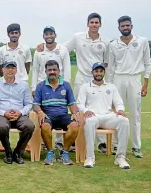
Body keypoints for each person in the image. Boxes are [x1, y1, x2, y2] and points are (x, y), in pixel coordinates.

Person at [36, 13, 111, 153]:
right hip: (82, 78)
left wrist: (100, 76)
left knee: (100, 108)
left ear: (100, 24)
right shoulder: (78, 37)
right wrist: (45, 46)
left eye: (96, 22)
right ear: (88, 24)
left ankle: (101, 143)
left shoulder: (105, 42)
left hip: (97, 77)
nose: (94, 25)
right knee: (75, 108)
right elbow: (62, 47)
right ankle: (64, 142)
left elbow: (106, 63)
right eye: (92, 22)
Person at [107, 15, 151, 158]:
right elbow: (111, 67)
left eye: (127, 25)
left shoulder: (142, 42)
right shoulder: (113, 44)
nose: (125, 28)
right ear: (119, 28)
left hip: (134, 79)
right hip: (118, 79)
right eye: (122, 26)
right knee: (116, 113)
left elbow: (147, 63)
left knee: (135, 114)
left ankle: (136, 147)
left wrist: (145, 83)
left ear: (131, 26)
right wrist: (109, 86)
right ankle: (115, 145)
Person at [77, 62, 130, 169]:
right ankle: (90, 157)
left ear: (104, 72)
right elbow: (79, 104)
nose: (99, 73)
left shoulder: (111, 87)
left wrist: (120, 110)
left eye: (101, 71)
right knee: (90, 121)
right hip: (93, 116)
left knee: (124, 121)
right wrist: (86, 110)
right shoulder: (85, 87)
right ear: (92, 72)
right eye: (96, 71)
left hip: (108, 116)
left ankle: (120, 157)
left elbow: (119, 102)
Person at [32, 60, 81, 166]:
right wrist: (40, 112)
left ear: (59, 71)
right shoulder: (40, 86)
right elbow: (35, 104)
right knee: (44, 126)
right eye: (49, 70)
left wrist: (75, 112)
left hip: (63, 115)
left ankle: (64, 152)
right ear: (45, 72)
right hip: (48, 115)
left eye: (54, 69)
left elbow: (72, 103)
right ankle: (50, 152)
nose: (52, 72)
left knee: (75, 125)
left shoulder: (66, 85)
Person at [32, 26, 71, 150]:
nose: (49, 36)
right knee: (43, 115)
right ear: (43, 36)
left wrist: (65, 85)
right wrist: (33, 87)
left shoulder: (63, 49)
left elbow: (67, 68)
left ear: (55, 35)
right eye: (46, 34)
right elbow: (36, 70)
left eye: (51, 34)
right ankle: (44, 143)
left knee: (59, 111)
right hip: (42, 86)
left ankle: (59, 143)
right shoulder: (39, 50)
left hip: (59, 86)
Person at [0, 60, 34, 164]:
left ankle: (18, 152)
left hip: (19, 115)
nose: (10, 70)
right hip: (2, 114)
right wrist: (4, 113)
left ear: (16, 70)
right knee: (2, 127)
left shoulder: (23, 85)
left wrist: (20, 112)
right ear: (2, 69)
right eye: (7, 68)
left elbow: (29, 104)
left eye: (12, 68)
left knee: (30, 126)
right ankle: (8, 152)